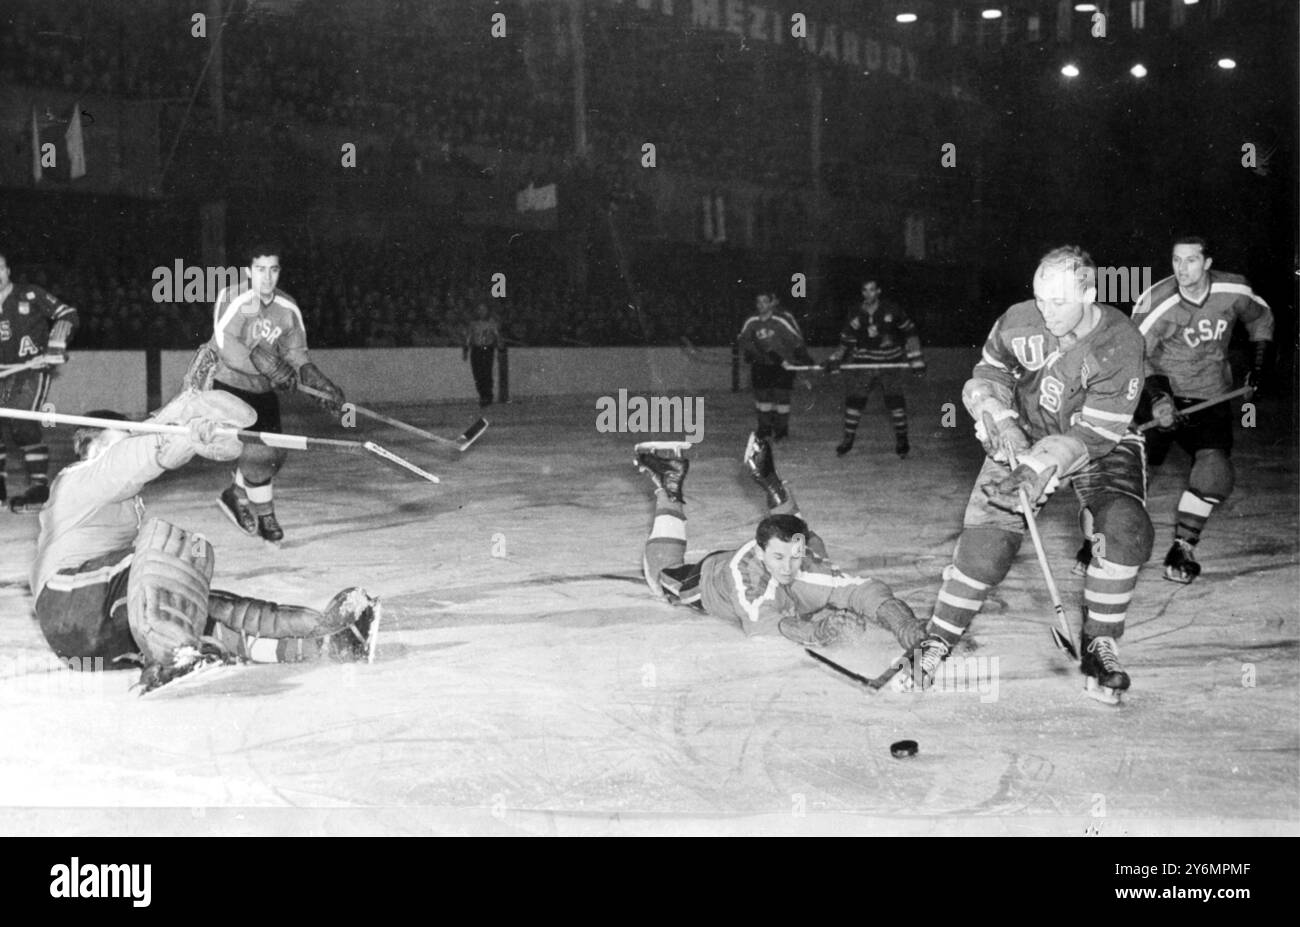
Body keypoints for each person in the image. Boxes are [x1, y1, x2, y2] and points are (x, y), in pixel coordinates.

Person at [907, 246, 1152, 705]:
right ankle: (937, 639)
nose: (1047, 312)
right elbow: (989, 372)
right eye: (1040, 299)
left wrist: (1041, 466)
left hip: (1100, 442)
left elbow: (1095, 434)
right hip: (1026, 432)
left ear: (1090, 292)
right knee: (986, 548)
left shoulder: (1120, 340)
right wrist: (995, 412)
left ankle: (1100, 643)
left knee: (1125, 529)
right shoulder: (1020, 319)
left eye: (1058, 302)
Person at [31, 389, 379, 693]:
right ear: (92, 446)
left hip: (98, 629)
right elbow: (148, 451)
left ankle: (324, 637)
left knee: (201, 606)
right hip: (69, 604)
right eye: (122, 436)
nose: (128, 443)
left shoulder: (109, 490)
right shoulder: (81, 478)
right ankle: (174, 656)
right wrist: (189, 435)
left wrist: (187, 409)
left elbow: (151, 435)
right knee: (168, 548)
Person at [634, 434, 927, 651]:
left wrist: (904, 623)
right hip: (709, 580)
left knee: (813, 540)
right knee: (660, 575)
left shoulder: (804, 558)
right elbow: (765, 625)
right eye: (778, 559)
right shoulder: (746, 577)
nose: (788, 568)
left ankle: (771, 482)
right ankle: (669, 487)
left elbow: (864, 590)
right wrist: (818, 631)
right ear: (761, 554)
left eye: (794, 557)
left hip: (778, 554)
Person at [1129, 235, 1274, 584]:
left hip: (1212, 393)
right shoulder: (1156, 302)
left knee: (1216, 471)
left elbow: (1261, 319)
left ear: (1207, 263)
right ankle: (1097, 544)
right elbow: (1134, 354)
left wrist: (1259, 361)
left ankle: (1183, 546)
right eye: (1177, 260)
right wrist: (1159, 398)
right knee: (1131, 475)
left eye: (1191, 260)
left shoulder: (1234, 290)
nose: (1182, 269)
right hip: (1161, 393)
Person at [184, 242, 346, 543]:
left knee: (275, 453)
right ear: (249, 272)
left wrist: (318, 381)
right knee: (257, 452)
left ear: (279, 272)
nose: (267, 277)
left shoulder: (287, 308)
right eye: (260, 270)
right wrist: (270, 370)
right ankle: (266, 513)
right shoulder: (232, 296)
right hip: (225, 382)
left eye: (273, 270)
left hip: (261, 389)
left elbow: (297, 353)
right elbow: (226, 346)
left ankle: (236, 494)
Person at [0, 252, 78, 513]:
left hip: (31, 370)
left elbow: (67, 314)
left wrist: (56, 343)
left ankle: (39, 486)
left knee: (22, 422)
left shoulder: (30, 294)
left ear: (8, 269)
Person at [824, 280, 925, 458]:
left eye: (872, 290)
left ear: (878, 291)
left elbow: (910, 332)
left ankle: (902, 440)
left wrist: (916, 360)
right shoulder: (855, 312)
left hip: (889, 362)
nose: (868, 294)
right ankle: (848, 440)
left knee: (895, 402)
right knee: (855, 400)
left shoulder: (892, 310)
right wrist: (834, 359)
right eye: (865, 290)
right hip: (864, 363)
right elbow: (846, 340)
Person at [735, 291, 813, 440]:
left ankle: (781, 430)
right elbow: (743, 339)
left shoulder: (781, 321)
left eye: (765, 301)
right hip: (761, 365)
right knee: (762, 397)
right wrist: (751, 351)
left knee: (781, 397)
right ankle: (764, 429)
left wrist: (802, 357)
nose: (761, 305)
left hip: (782, 366)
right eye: (758, 302)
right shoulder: (752, 321)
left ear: (771, 303)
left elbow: (796, 340)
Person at [464, 301, 501, 407]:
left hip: (487, 349)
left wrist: (498, 351)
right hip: (476, 349)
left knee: (487, 372)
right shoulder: (473, 324)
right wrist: (466, 350)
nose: (481, 312)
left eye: (483, 309)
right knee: (477, 373)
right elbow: (468, 337)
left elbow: (497, 337)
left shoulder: (492, 323)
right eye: (479, 309)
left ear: (487, 311)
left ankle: (488, 396)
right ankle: (482, 395)